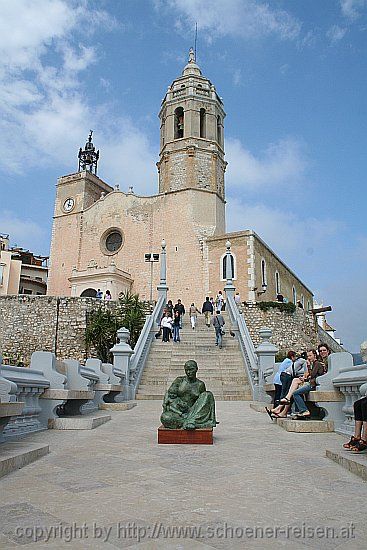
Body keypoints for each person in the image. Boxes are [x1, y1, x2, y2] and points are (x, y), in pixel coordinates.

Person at [160, 360, 218, 430]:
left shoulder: (200, 384)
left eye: (191, 369)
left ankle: (190, 421)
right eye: (186, 370)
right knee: (165, 417)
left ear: (196, 369)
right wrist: (175, 407)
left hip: (193, 412)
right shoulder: (179, 380)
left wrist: (191, 410)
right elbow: (169, 394)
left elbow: (202, 403)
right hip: (179, 413)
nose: (188, 372)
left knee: (208, 394)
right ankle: (189, 423)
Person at [280, 349, 326, 419]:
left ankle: (304, 410)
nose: (309, 358)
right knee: (296, 388)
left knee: (295, 393)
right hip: (312, 383)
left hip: (313, 384)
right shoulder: (314, 363)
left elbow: (312, 375)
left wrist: (307, 370)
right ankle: (298, 410)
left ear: (315, 355)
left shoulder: (317, 363)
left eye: (310, 356)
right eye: (308, 356)